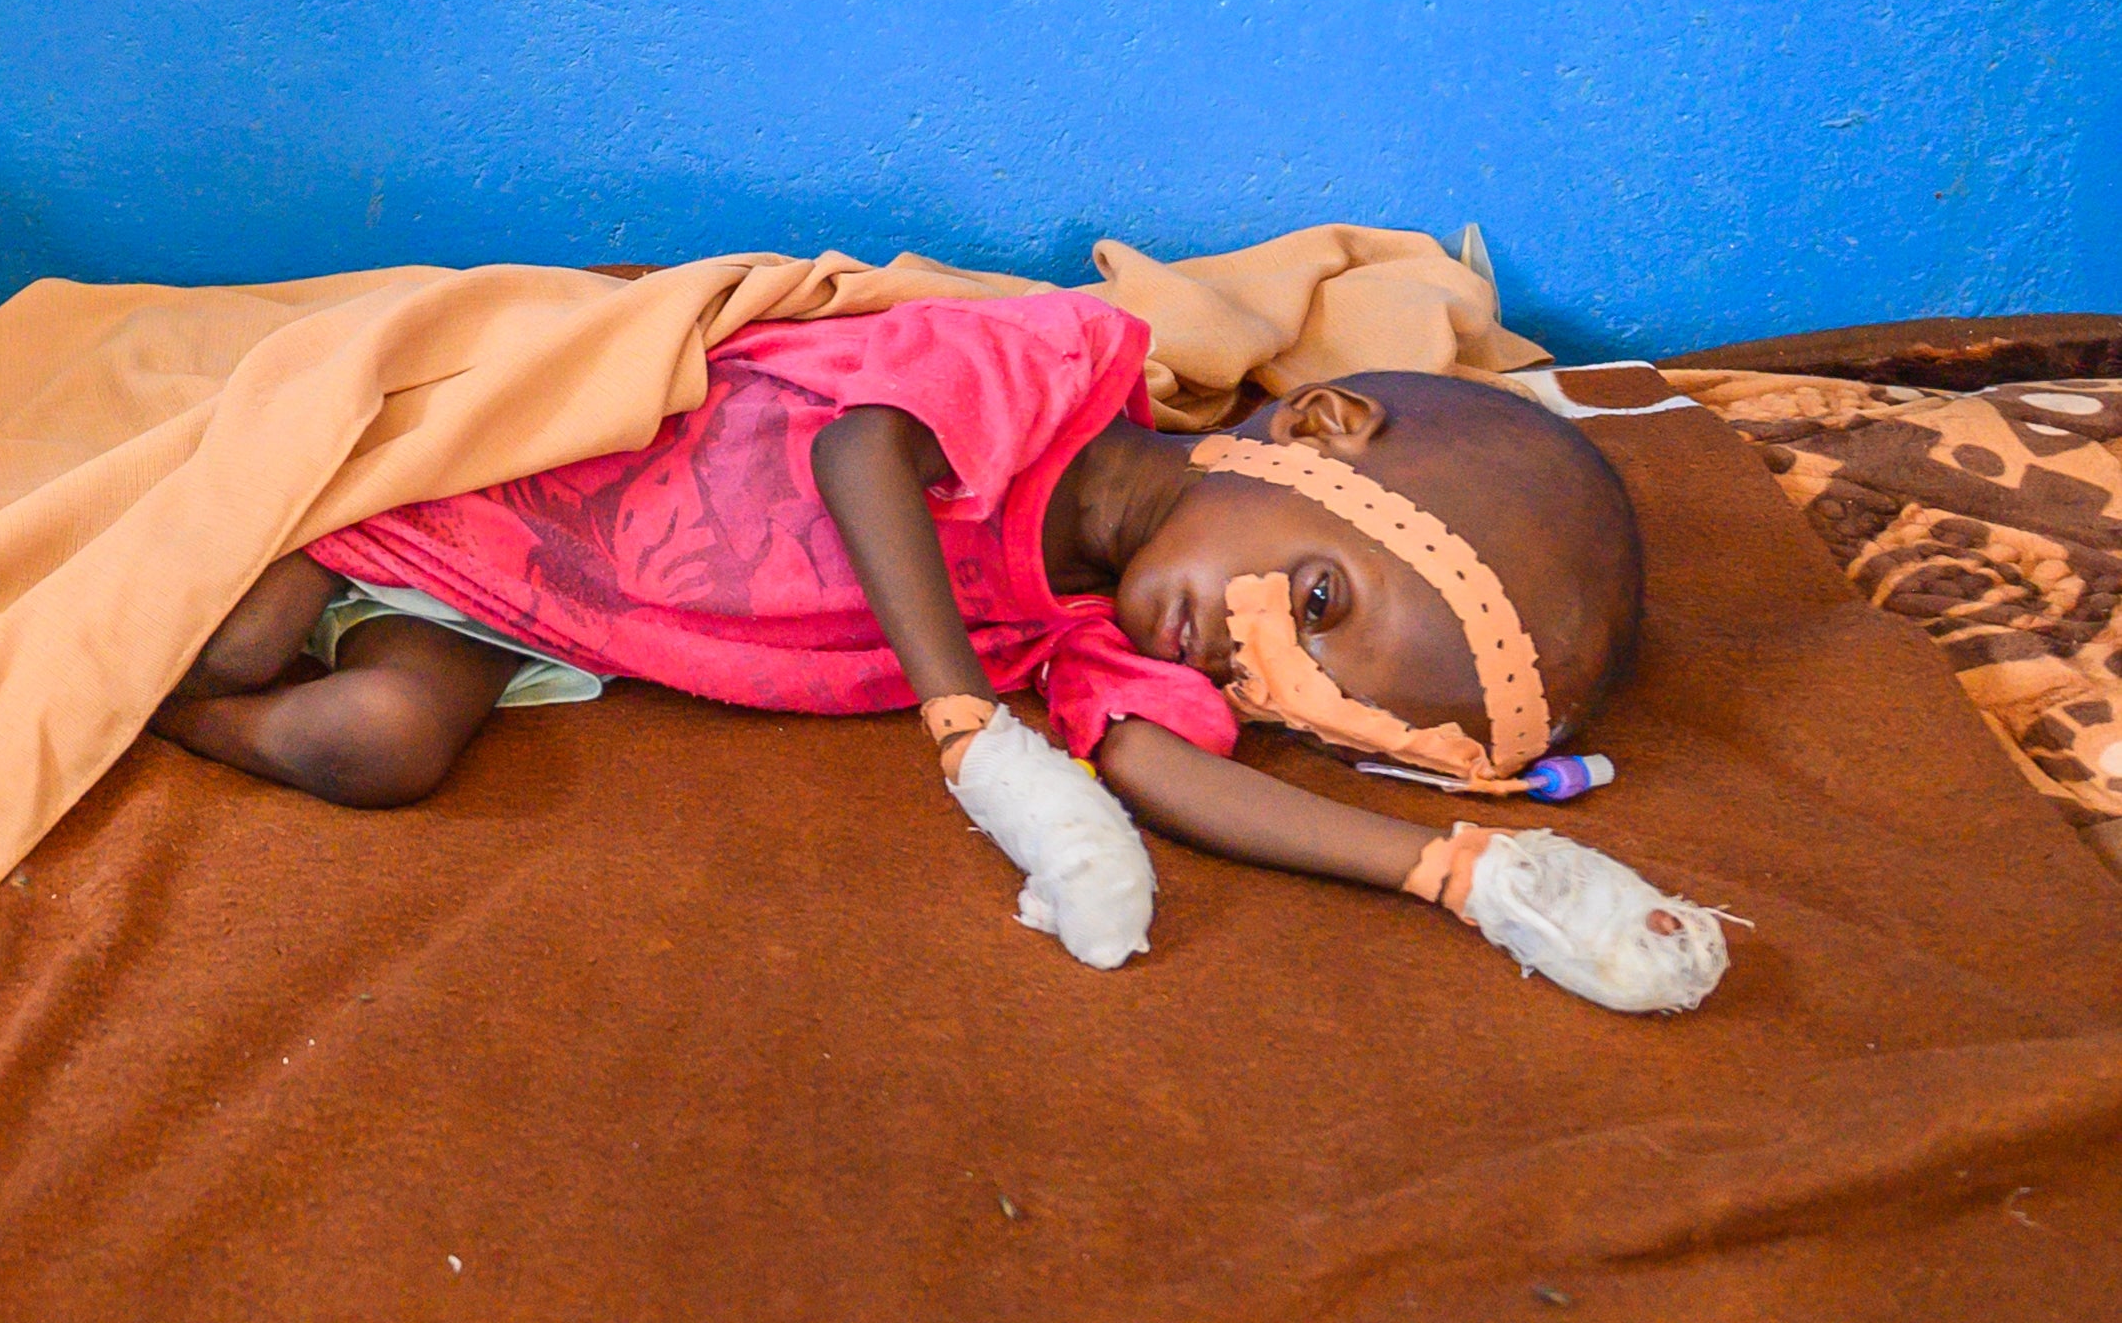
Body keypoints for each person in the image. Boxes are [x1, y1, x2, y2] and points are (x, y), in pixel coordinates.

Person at [154, 291, 1730, 1013]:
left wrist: (1446, 871)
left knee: (371, 748)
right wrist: (959, 714)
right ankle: (207, 613)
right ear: (1312, 432)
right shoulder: (1049, 370)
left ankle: (161, 717)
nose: (1253, 666)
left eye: (1301, 693)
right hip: (492, 488)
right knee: (236, 632)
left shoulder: (1074, 640)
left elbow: (1154, 770)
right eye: (1313, 604)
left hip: (529, 621)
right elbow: (860, 455)